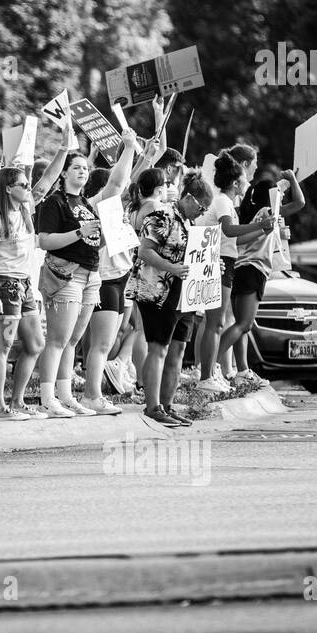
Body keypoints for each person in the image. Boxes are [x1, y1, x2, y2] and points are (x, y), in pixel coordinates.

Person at [52, 126, 141, 416]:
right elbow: (116, 185)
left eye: (84, 168)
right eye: (76, 168)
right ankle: (77, 395)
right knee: (75, 342)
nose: (81, 172)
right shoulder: (75, 206)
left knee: (80, 341)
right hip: (84, 278)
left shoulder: (95, 206)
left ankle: (78, 395)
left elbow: (121, 183)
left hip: (99, 279)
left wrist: (135, 151)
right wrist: (128, 149)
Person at [127, 169, 213, 427]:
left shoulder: (190, 223)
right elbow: (144, 251)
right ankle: (152, 406)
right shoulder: (161, 215)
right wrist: (171, 267)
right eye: (201, 206)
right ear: (187, 197)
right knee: (159, 347)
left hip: (183, 294)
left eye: (206, 208)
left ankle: (167, 404)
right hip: (157, 291)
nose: (202, 211)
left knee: (178, 348)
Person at [216, 170, 306, 388]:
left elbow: (240, 241)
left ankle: (242, 370)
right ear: (271, 197)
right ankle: (211, 366)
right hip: (254, 270)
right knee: (243, 324)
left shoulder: (246, 211)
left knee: (241, 325)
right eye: (278, 195)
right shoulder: (268, 212)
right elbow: (300, 203)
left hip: (239, 269)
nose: (281, 199)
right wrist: (293, 180)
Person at [194, 151, 274, 394]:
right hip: (215, 262)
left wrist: (263, 231)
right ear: (234, 182)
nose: (245, 185)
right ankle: (206, 376)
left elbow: (237, 240)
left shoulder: (229, 203)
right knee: (214, 323)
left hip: (225, 261)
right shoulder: (222, 201)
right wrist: (259, 225)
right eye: (242, 181)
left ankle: (210, 374)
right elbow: (229, 230)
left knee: (216, 323)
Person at [0, 166, 43, 421]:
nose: (28, 189)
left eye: (27, 184)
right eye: (23, 185)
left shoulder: (24, 211)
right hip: (4, 284)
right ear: (7, 188)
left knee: (36, 343)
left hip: (25, 284)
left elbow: (46, 181)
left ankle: (17, 401)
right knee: (3, 346)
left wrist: (62, 147)